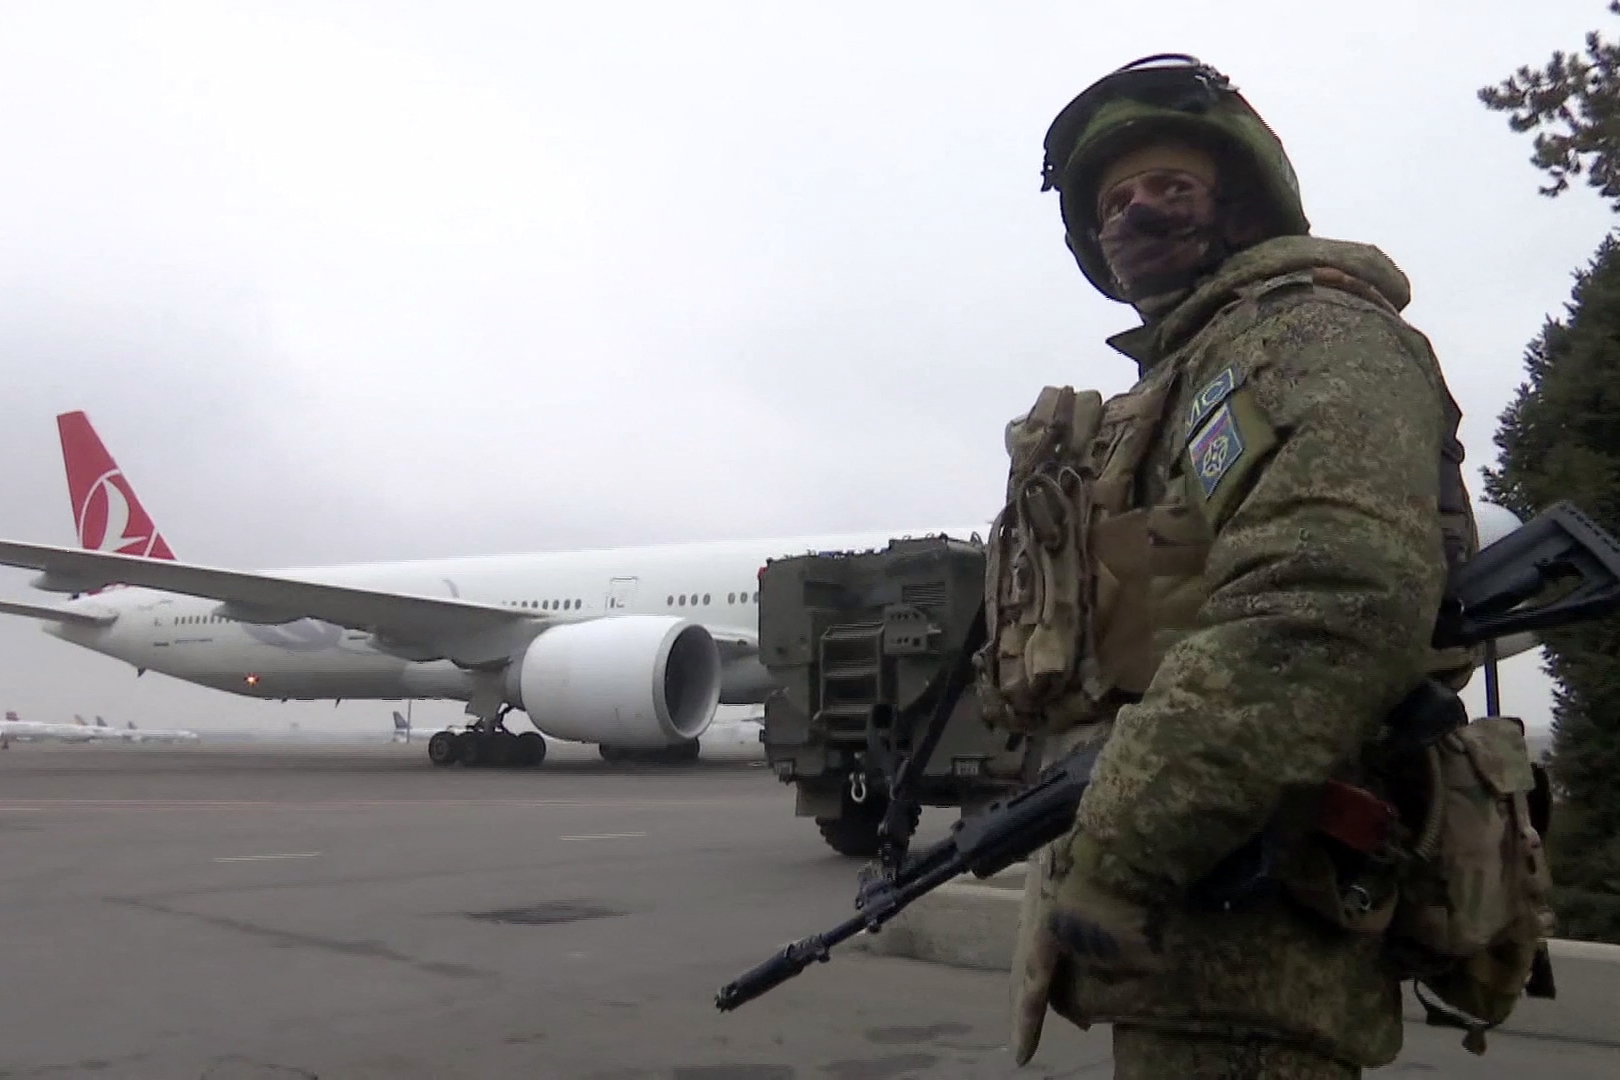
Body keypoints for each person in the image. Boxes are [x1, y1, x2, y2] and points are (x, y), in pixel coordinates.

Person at [976, 55, 1480, 1078]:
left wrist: (1125, 845)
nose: (1135, 215)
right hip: (1209, 933)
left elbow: (1325, 599)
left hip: (1255, 934)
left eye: (1170, 188)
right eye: (1115, 200)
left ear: (1243, 206)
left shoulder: (1307, 333)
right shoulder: (1200, 368)